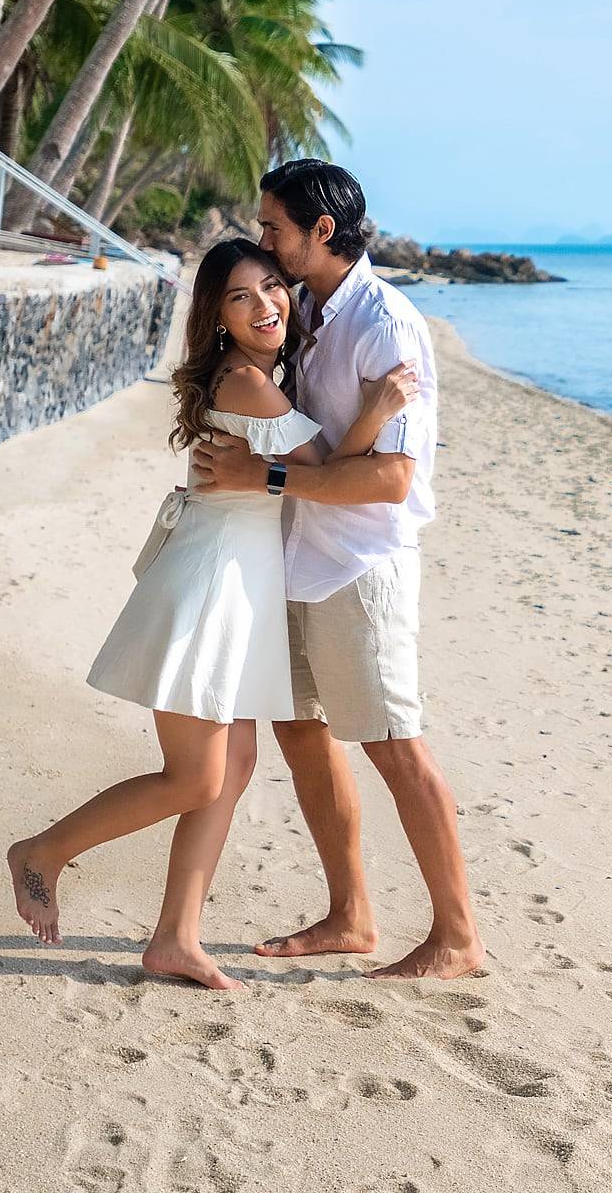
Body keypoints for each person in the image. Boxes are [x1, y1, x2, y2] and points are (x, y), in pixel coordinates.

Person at [5, 238, 414, 989]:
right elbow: (326, 473)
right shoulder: (248, 383)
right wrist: (379, 410)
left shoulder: (252, 375)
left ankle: (175, 938)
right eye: (240, 297)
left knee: (233, 769)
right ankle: (43, 851)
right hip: (210, 586)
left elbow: (292, 472)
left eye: (273, 287)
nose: (266, 306)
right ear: (217, 317)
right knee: (195, 779)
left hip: (236, 586)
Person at [191, 160, 484, 981]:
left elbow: (390, 480)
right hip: (296, 556)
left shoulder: (385, 325)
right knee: (301, 732)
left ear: (321, 231)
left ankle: (458, 937)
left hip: (361, 565)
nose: (262, 238)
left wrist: (263, 479)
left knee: (395, 746)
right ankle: (351, 915)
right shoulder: (308, 307)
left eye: (273, 226)